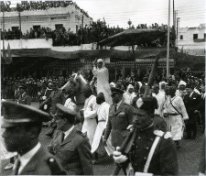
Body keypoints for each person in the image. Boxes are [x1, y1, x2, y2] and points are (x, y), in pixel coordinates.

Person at [112, 96, 178, 175]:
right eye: (134, 114)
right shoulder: (132, 135)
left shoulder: (164, 141)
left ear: (151, 116)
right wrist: (123, 161)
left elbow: (170, 173)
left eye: (140, 115)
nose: (135, 119)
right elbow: (134, 165)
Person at [1, 100, 65, 175]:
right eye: (5, 130)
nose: (4, 135)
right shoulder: (23, 156)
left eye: (12, 130)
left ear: (32, 133)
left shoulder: (45, 171)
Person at [48, 103, 93, 175]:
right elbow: (49, 151)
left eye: (57, 119)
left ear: (65, 120)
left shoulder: (80, 140)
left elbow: (87, 167)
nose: (55, 121)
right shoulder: (58, 133)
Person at [91, 93, 114, 161]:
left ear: (100, 99)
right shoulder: (100, 106)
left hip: (104, 124)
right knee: (96, 141)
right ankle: (94, 157)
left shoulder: (107, 106)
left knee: (108, 141)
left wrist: (106, 127)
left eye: (97, 98)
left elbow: (108, 117)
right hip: (99, 125)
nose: (96, 100)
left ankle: (114, 155)